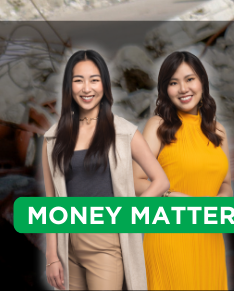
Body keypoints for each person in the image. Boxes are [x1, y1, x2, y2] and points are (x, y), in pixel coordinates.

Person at [42, 49, 169, 291]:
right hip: (67, 246)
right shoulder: (53, 138)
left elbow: (161, 181)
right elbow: (51, 202)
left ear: (104, 85)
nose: (86, 88)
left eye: (94, 80)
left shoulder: (123, 132)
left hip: (106, 245)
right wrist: (51, 257)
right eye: (78, 80)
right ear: (69, 86)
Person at [139, 51, 231, 290]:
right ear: (165, 89)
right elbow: (134, 180)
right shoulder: (158, 126)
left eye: (190, 79)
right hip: (170, 238)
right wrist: (170, 196)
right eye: (173, 83)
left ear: (202, 82)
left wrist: (219, 204)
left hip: (210, 240)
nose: (183, 89)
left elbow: (226, 184)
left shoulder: (218, 131)